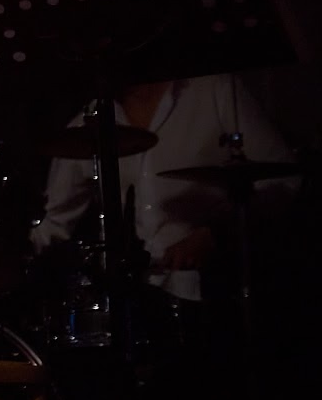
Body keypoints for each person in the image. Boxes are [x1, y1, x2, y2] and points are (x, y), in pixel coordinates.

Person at [30, 72, 296, 303]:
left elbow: (284, 180)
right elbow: (54, 222)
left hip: (220, 286)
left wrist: (216, 233)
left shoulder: (215, 89)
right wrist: (15, 253)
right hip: (136, 297)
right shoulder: (90, 122)